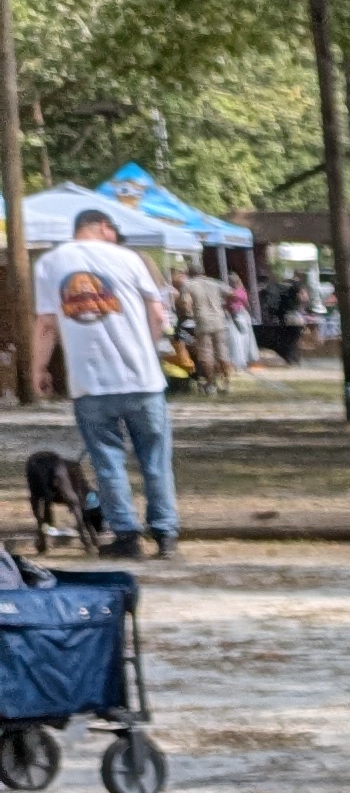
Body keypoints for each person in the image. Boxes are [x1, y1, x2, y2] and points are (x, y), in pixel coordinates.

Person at [32, 206, 176, 554]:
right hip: (143, 379)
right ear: (102, 226)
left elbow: (47, 325)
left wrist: (39, 369)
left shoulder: (50, 264)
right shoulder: (130, 259)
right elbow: (158, 313)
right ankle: (166, 534)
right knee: (155, 459)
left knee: (107, 461)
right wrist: (147, 348)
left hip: (91, 381)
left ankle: (126, 536)